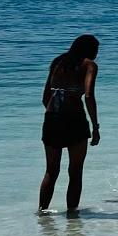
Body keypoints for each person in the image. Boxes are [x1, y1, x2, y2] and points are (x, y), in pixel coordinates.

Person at [39, 34, 100, 213]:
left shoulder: (58, 62)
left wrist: (56, 114)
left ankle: (42, 215)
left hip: (52, 119)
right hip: (75, 120)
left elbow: (45, 98)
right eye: (96, 49)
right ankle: (72, 217)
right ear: (90, 50)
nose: (97, 53)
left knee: (51, 171)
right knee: (75, 171)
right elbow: (89, 96)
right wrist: (95, 126)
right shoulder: (89, 65)